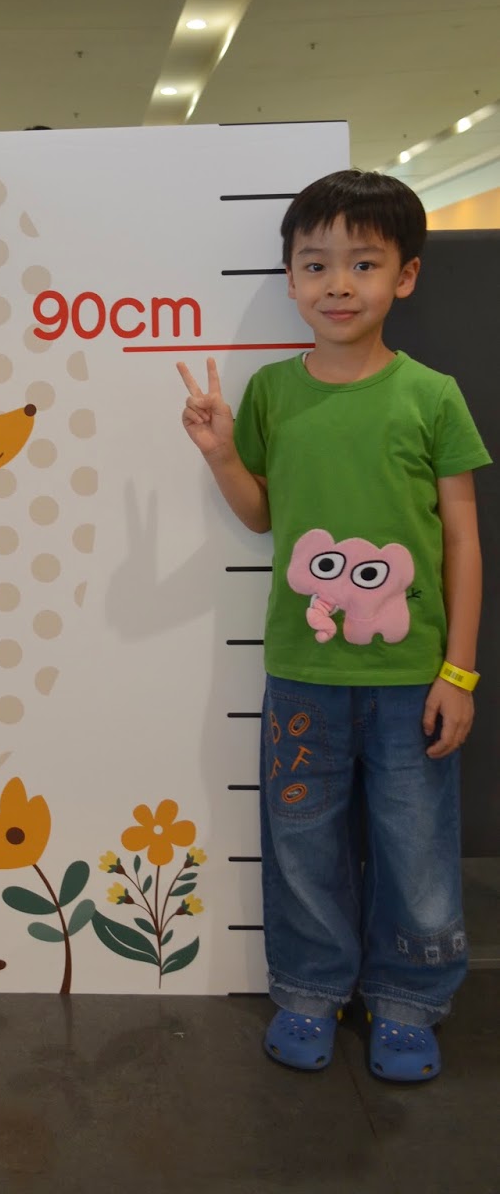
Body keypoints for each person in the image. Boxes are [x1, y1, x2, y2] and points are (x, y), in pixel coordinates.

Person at [177, 169, 489, 1083]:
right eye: (315, 265)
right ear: (289, 278)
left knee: (415, 847)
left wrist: (458, 671)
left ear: (406, 275)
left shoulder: (431, 395)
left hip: (412, 681)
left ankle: (408, 1001)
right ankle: (309, 990)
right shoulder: (273, 392)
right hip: (301, 673)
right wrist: (220, 453)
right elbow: (260, 517)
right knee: (301, 839)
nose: (337, 284)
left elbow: (462, 540)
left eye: (363, 263)